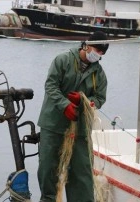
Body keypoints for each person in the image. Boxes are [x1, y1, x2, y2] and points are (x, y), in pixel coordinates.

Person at [37, 31, 109, 202]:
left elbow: (99, 99)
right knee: (48, 168)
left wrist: (85, 100)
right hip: (53, 124)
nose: (97, 55)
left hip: (80, 129)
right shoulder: (63, 60)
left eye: (101, 53)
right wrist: (65, 105)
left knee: (81, 172)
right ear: (87, 45)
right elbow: (51, 85)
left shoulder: (98, 73)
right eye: (96, 50)